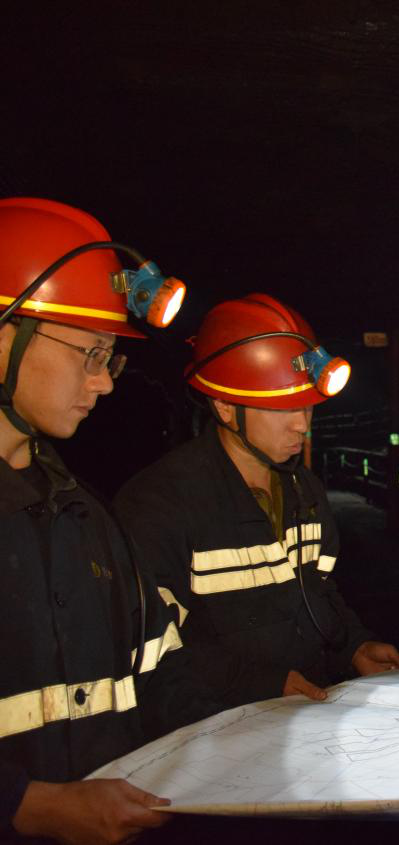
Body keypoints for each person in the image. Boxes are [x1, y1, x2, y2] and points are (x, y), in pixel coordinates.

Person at [0, 197, 199, 843]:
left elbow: (162, 676)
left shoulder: (88, 518)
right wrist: (28, 806)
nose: (106, 382)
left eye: (110, 357)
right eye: (90, 353)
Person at [115, 293, 399, 710]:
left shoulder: (305, 491)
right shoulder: (160, 503)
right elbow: (147, 645)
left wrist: (354, 647)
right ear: (224, 405)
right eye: (282, 408)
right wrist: (257, 685)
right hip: (213, 731)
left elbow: (318, 592)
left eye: (307, 407)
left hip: (305, 719)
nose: (302, 425)